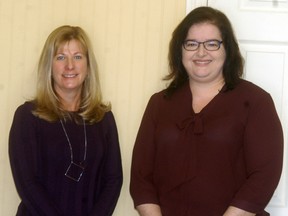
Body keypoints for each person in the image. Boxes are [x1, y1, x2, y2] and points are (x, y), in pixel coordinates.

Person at [130, 6, 283, 216]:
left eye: (212, 44)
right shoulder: (159, 103)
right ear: (180, 50)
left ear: (227, 49)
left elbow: (264, 176)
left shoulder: (256, 101)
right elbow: (140, 177)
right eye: (191, 44)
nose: (201, 52)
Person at [9, 25, 123, 216]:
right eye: (61, 57)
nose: (70, 65)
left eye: (78, 57)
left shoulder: (104, 118)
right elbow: (27, 183)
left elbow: (113, 180)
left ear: (88, 66)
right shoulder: (28, 116)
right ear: (49, 66)